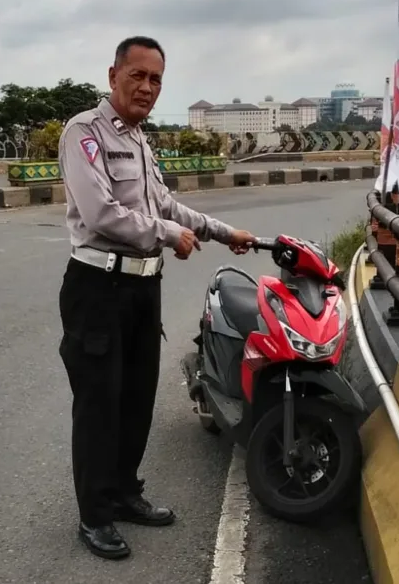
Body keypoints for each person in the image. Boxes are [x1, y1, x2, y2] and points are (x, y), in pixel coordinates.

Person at [58, 36, 256, 560]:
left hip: (144, 286)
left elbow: (166, 204)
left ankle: (124, 493)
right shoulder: (85, 133)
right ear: (113, 75)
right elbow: (101, 214)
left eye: (156, 80)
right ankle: (94, 515)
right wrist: (169, 235)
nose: (146, 87)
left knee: (136, 398)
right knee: (99, 405)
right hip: (98, 287)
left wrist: (220, 230)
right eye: (137, 76)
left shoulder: (142, 141)